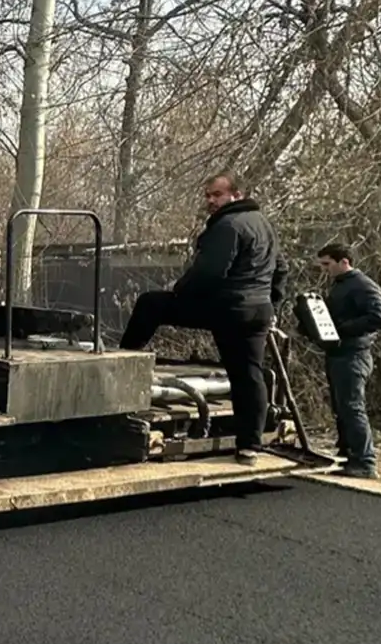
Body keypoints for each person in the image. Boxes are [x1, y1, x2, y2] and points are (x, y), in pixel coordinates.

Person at [120, 172, 288, 465]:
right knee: (248, 374)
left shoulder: (228, 224)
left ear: (235, 195)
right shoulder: (264, 225)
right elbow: (281, 269)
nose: (210, 201)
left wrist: (181, 293)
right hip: (258, 309)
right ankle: (250, 446)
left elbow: (209, 273)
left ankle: (122, 365)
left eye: (216, 195)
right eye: (208, 195)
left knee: (151, 303)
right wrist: (271, 302)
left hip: (227, 307)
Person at [314, 241, 381, 479]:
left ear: (343, 262)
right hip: (339, 353)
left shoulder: (361, 285)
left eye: (328, 264)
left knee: (352, 407)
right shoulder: (341, 285)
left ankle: (365, 462)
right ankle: (348, 454)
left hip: (353, 355)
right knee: (342, 407)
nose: (325, 270)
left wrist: (345, 329)